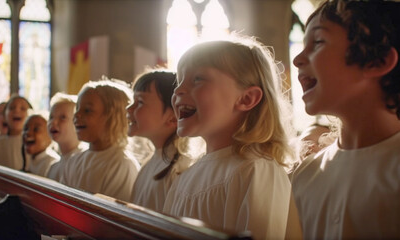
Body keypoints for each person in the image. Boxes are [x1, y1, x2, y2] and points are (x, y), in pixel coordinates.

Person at [162, 37, 296, 239]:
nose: (178, 90)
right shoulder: (186, 176)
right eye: (179, 80)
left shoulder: (256, 169)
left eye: (197, 79)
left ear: (246, 99)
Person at [291, 0, 400, 239]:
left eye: (318, 42)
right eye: (302, 45)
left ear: (377, 61)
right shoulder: (306, 175)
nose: (297, 59)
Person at [60, 78, 140, 202]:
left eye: (87, 110)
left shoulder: (121, 164)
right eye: (77, 109)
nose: (76, 115)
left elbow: (113, 214)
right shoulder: (74, 161)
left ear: (112, 117)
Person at [127, 69, 193, 212]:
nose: (129, 108)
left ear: (173, 117)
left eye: (140, 102)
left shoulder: (180, 169)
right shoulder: (150, 163)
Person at [46, 92, 87, 181]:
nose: (53, 122)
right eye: (51, 117)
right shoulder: (53, 167)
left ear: (77, 122)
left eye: (62, 117)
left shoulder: (83, 162)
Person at [0, 94, 33, 170]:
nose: (17, 111)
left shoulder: (32, 142)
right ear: (5, 115)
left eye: (23, 108)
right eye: (12, 108)